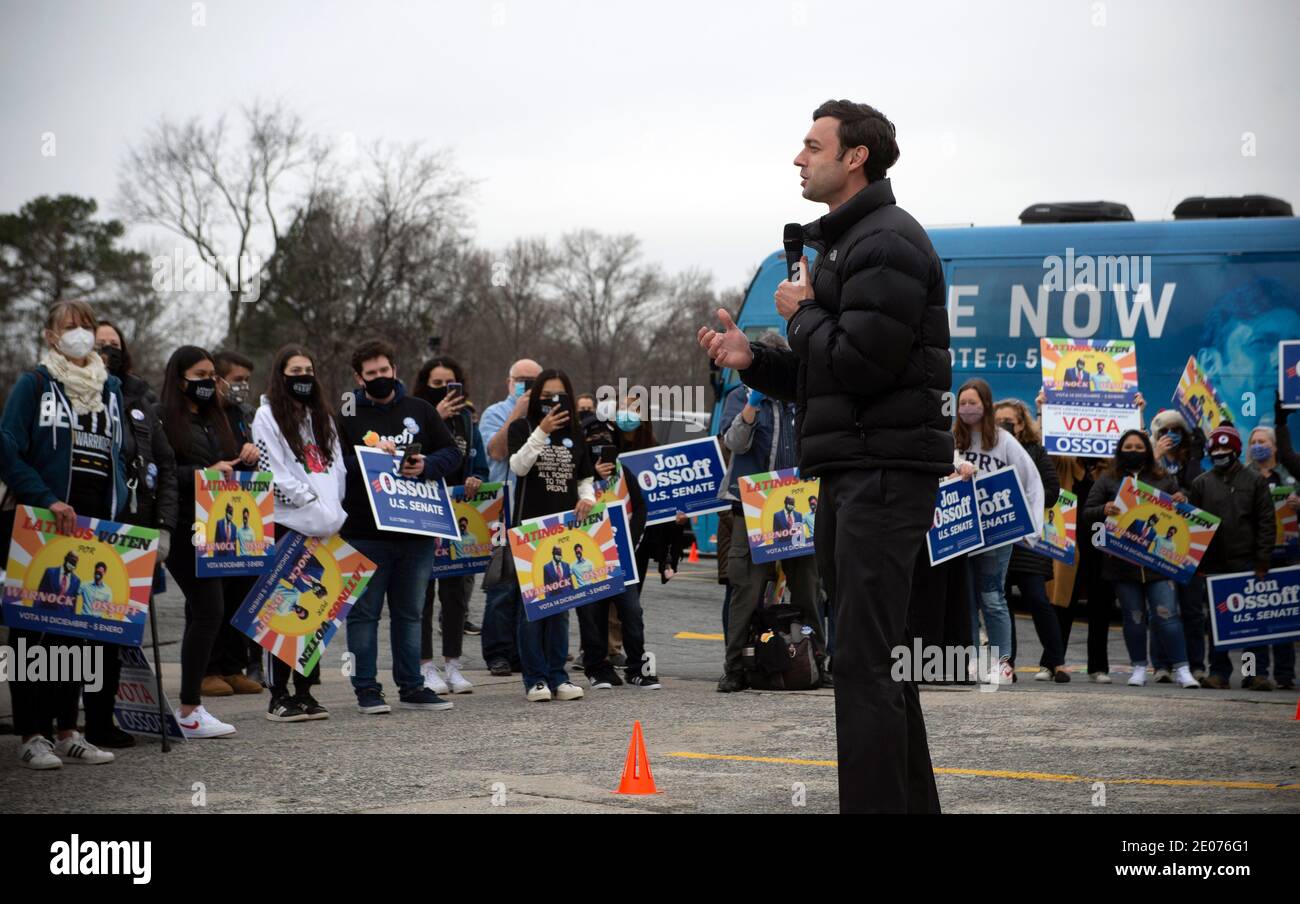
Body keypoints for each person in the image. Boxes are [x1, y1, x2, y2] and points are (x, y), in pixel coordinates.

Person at [699, 99, 951, 813]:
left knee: (865, 664)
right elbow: (831, 375)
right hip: (854, 469)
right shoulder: (845, 246)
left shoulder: (888, 242)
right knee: (878, 662)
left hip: (884, 473)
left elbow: (864, 362)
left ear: (855, 157)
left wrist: (802, 315)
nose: (797, 158)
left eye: (812, 145)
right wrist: (757, 363)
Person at [2, 300, 128, 768]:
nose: (81, 333)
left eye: (87, 326)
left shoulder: (109, 389)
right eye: (70, 327)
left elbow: (118, 457)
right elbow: (8, 448)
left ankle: (69, 729)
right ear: (52, 336)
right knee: (35, 634)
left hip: (95, 526)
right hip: (42, 525)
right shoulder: (34, 384)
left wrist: (122, 515)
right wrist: (45, 497)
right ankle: (32, 733)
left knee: (81, 633)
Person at [337, 339, 462, 714]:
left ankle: (412, 686)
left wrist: (425, 465)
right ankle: (367, 690)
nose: (379, 378)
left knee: (410, 613)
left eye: (384, 370)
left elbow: (452, 453)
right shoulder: (346, 412)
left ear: (395, 369)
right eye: (371, 374)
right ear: (359, 378)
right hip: (363, 531)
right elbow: (333, 461)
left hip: (416, 528)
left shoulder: (420, 409)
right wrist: (370, 458)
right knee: (365, 614)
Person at [716, 335, 825, 693]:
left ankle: (816, 661)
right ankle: (734, 668)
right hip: (752, 510)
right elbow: (734, 444)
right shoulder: (738, 397)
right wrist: (751, 405)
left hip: (798, 510)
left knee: (808, 590)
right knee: (745, 591)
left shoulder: (801, 400)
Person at [91, 319, 178, 747]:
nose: (109, 350)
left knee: (121, 629)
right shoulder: (71, 391)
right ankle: (68, 720)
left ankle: (104, 719)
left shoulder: (142, 397)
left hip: (135, 530)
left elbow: (165, 470)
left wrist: (163, 528)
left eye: (114, 343)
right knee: (82, 626)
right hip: (90, 526)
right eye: (100, 343)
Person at [252, 344, 349, 721]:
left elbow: (336, 466)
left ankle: (306, 690)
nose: (303, 377)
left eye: (309, 369)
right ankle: (279, 695)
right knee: (284, 610)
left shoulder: (320, 416)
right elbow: (272, 471)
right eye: (296, 371)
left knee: (317, 608)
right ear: (282, 375)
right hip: (289, 523)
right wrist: (308, 500)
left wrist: (333, 508)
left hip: (325, 525)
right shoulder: (266, 416)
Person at [157, 345, 247, 737]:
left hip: (217, 528)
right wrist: (204, 473)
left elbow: (225, 469)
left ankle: (192, 705)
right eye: (200, 376)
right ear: (180, 379)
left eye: (213, 375)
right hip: (182, 527)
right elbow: (162, 473)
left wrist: (246, 459)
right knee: (209, 609)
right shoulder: (163, 418)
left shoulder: (218, 420)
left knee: (208, 610)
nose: (209, 383)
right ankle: (190, 708)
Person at [1082, 429, 1200, 689]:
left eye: (1138, 447)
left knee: (1167, 615)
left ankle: (1182, 669)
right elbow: (1086, 514)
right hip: (1122, 565)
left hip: (1159, 565)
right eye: (1128, 447)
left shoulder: (1163, 478)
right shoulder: (1106, 479)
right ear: (1119, 450)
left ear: (1147, 450)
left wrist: (1182, 499)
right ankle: (1138, 667)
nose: (1133, 451)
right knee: (1133, 617)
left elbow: (1180, 508)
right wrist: (1103, 510)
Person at [507, 368, 596, 702]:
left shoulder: (576, 431)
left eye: (560, 397)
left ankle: (558, 675)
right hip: (530, 530)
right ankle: (534, 679)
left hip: (563, 530)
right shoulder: (523, 427)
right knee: (532, 609)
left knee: (560, 607)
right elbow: (518, 467)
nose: (553, 403)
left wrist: (587, 499)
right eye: (546, 398)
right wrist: (541, 432)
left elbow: (584, 477)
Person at [952, 380, 1045, 684]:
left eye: (973, 403)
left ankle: (1002, 662)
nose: (967, 409)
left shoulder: (1003, 440)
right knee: (964, 600)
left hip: (995, 532)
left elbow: (1031, 480)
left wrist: (1031, 527)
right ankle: (968, 662)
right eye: (962, 403)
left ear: (986, 405)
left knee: (992, 598)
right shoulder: (951, 438)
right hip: (961, 529)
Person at [412, 355, 488, 696]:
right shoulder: (414, 418)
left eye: (450, 384)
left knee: (455, 594)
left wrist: (476, 477)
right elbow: (405, 458)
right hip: (423, 510)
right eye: (437, 384)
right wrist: (436, 418)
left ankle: (453, 664)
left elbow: (481, 463)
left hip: (459, 512)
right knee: (423, 594)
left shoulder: (469, 422)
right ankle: (425, 666)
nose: (445, 390)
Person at [1189, 426, 1278, 689]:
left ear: (1237, 451)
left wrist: (1262, 560)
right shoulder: (1201, 483)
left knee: (1252, 622)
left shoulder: (1254, 481)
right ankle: (1219, 673)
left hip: (1248, 563)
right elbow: (1194, 527)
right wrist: (1199, 564)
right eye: (1215, 449)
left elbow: (1266, 523)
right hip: (1214, 566)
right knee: (1216, 623)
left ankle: (1254, 673)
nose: (1220, 453)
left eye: (1225, 450)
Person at [477, 358, 542, 675]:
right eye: (522, 381)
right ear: (510, 382)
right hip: (504, 508)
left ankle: (523, 650)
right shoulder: (495, 413)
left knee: (532, 586)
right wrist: (518, 411)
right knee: (502, 585)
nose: (528, 387)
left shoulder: (548, 415)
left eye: (535, 381)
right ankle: (497, 652)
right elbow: (496, 451)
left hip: (535, 510)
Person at [994, 398, 1065, 682]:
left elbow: (1052, 492)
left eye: (1009, 421)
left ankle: (1056, 661)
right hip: (998, 540)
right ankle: (1006, 664)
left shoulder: (1036, 452)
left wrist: (1019, 496)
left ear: (1022, 423)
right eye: (998, 421)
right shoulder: (989, 451)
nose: (1004, 426)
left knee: (1038, 600)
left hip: (1027, 544)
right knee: (1001, 604)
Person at [1147, 408, 1208, 681]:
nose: (1170, 435)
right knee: (1161, 608)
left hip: (1189, 544)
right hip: (1158, 543)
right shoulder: (1153, 463)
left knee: (1192, 610)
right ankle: (1161, 665)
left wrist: (1194, 453)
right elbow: (1139, 486)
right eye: (1165, 431)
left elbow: (1196, 486)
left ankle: (1196, 664)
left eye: (1176, 430)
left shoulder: (1191, 463)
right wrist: (1155, 452)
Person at [1243, 422, 1298, 689]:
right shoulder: (1244, 477)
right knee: (1251, 622)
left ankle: (1285, 676)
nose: (1258, 446)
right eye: (1254, 442)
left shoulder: (1290, 477)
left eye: (1263, 442)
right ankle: (1253, 673)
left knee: (1283, 618)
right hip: (1252, 556)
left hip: (1285, 556)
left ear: (1275, 447)